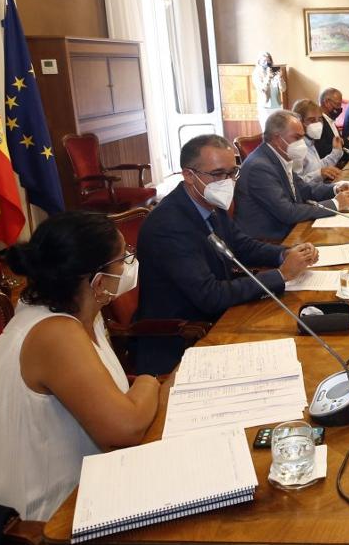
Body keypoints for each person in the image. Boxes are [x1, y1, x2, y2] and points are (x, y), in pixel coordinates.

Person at [0, 211, 160, 521]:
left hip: (81, 488)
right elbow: (123, 430)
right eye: (124, 257)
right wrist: (149, 381)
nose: (130, 262)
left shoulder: (83, 312)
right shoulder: (54, 332)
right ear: (98, 281)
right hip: (24, 526)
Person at [134, 134, 317, 374]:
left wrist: (287, 253)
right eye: (219, 174)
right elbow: (209, 295)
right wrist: (281, 275)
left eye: (233, 173)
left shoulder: (208, 202)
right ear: (189, 175)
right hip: (183, 338)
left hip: (223, 316)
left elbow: (243, 246)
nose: (228, 181)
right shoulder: (169, 225)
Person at [235, 110, 349, 241]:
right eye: (297, 138)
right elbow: (287, 212)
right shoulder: (259, 167)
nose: (301, 143)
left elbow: (305, 189)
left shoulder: (278, 156)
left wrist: (335, 189)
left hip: (292, 229)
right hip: (273, 241)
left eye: (302, 137)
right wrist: (335, 204)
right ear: (277, 138)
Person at [290, 98, 343, 185]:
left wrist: (336, 151)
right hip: (309, 197)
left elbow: (317, 167)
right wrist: (319, 174)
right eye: (311, 120)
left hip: (319, 191)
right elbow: (296, 185)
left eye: (320, 119)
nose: (318, 124)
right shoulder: (296, 148)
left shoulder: (310, 142)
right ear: (299, 122)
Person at [319, 87, 349, 159]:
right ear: (327, 102)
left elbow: (341, 145)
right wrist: (348, 141)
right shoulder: (319, 122)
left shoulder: (330, 120)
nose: (340, 108)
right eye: (338, 104)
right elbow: (323, 150)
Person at [252, 51, 286, 126]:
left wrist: (280, 78)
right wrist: (268, 77)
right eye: (264, 61)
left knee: (279, 129)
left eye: (268, 60)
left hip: (277, 105)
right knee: (267, 130)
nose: (266, 63)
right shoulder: (256, 73)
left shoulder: (274, 71)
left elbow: (283, 89)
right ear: (259, 61)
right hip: (265, 106)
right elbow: (263, 89)